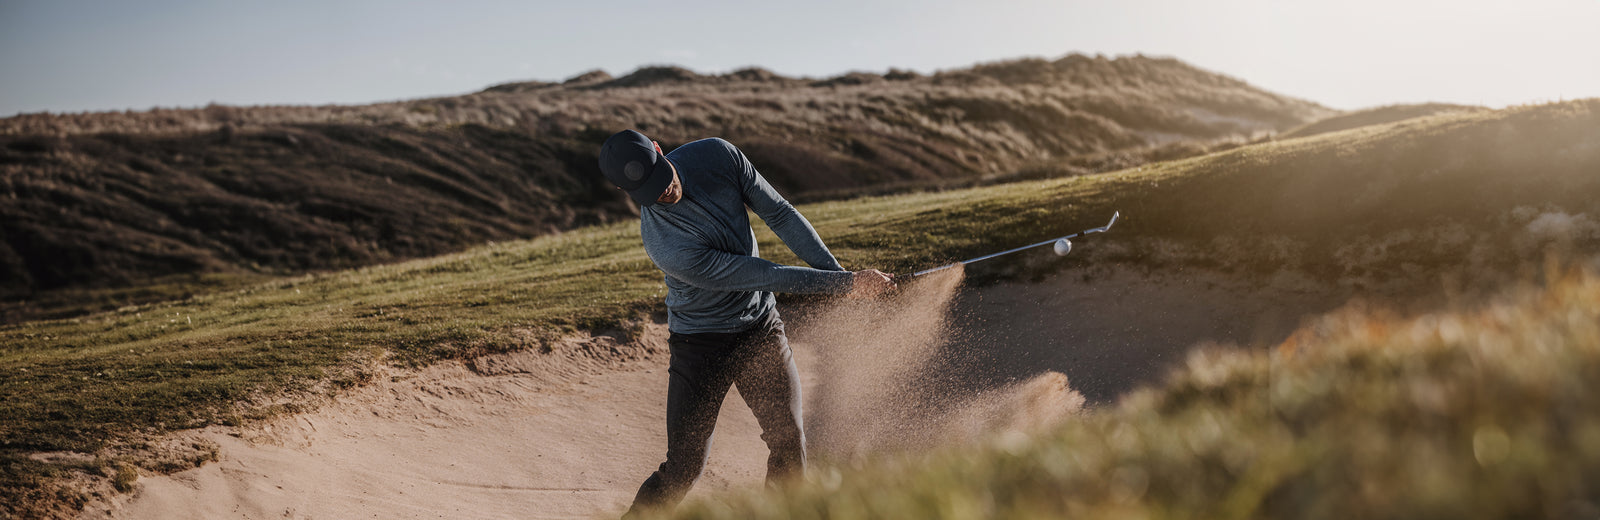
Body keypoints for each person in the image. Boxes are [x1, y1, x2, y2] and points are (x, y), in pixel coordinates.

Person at [598, 129, 895, 516]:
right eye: (648, 193)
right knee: (684, 468)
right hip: (700, 345)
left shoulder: (717, 157)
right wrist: (845, 285)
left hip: (759, 327)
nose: (663, 194)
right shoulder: (666, 245)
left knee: (789, 441)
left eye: (661, 178)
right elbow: (764, 274)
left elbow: (780, 213)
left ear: (658, 149)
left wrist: (840, 276)